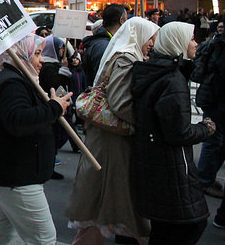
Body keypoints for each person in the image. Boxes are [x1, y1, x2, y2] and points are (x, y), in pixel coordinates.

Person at [66, 17, 160, 244]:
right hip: (111, 142)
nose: (152, 43)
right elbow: (119, 101)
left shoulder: (125, 55)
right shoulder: (125, 58)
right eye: (150, 37)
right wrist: (141, 121)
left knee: (101, 210)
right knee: (104, 206)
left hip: (108, 140)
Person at [0, 34, 72, 245]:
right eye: (37, 53)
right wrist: (54, 107)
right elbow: (19, 121)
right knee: (44, 238)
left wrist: (51, 106)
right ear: (21, 54)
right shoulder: (13, 83)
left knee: (2, 230)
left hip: (13, 173)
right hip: (18, 177)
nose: (42, 60)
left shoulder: (16, 79)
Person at [131, 21, 215, 244]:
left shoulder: (158, 72)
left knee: (165, 226)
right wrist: (204, 129)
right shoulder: (172, 80)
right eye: (191, 38)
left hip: (156, 161)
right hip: (170, 164)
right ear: (178, 42)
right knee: (190, 224)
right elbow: (178, 133)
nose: (196, 43)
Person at [198, 9, 225, 230]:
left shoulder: (218, 41)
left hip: (215, 98)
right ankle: (204, 179)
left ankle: (206, 177)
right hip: (218, 100)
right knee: (212, 138)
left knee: (218, 140)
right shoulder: (223, 44)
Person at [38, 35, 73, 178]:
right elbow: (56, 86)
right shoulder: (48, 66)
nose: (62, 51)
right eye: (60, 48)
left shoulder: (55, 64)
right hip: (51, 105)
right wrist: (64, 71)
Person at [81, 3, 127, 85]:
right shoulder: (104, 46)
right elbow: (100, 78)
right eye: (126, 21)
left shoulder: (104, 41)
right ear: (121, 21)